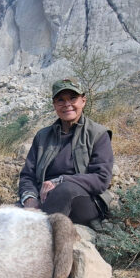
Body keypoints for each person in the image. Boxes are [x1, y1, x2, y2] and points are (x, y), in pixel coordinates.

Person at [18, 78, 113, 227]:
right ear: (54, 105)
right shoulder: (42, 136)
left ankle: (40, 236)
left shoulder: (98, 134)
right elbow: (27, 175)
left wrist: (60, 181)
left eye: (73, 98)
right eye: (60, 100)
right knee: (6, 215)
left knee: (64, 190)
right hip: (44, 200)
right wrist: (30, 198)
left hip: (83, 202)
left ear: (83, 101)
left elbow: (101, 179)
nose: (67, 104)